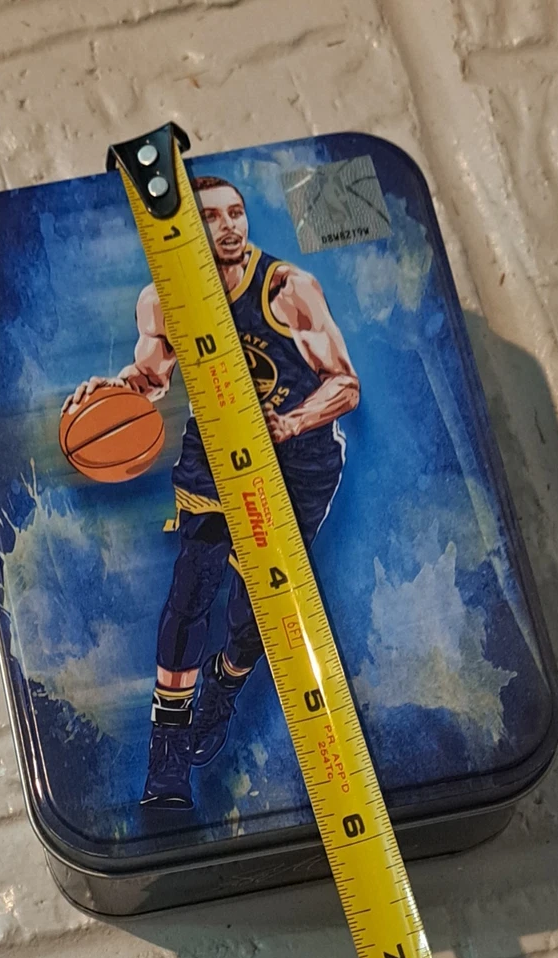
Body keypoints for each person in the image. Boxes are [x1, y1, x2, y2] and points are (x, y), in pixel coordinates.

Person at [63, 175, 360, 808]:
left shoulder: (288, 290)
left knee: (253, 611)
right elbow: (151, 377)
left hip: (300, 458)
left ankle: (223, 689)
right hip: (215, 446)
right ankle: (167, 755)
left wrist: (291, 422)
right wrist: (111, 393)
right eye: (211, 217)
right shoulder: (162, 301)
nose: (228, 226)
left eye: (236, 213)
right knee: (192, 586)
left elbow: (344, 385)